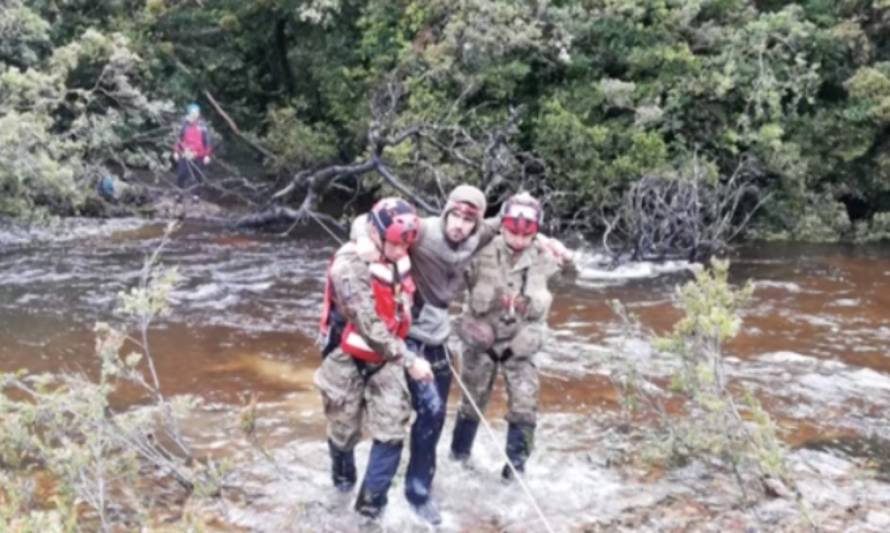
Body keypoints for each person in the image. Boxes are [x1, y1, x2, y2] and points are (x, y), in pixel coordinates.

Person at [350, 185, 572, 524]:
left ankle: (422, 489)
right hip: (409, 334)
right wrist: (363, 240)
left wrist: (555, 248)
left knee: (438, 415)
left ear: (478, 222)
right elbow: (373, 220)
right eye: (455, 215)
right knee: (398, 419)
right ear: (446, 211)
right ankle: (369, 501)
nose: (460, 225)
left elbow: (518, 230)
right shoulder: (423, 229)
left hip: (457, 339)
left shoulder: (487, 235)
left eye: (469, 219)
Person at [314, 197, 435, 522]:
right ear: (375, 233)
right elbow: (368, 325)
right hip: (347, 356)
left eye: (406, 245)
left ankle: (368, 511)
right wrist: (410, 360)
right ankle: (341, 490)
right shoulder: (349, 266)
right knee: (343, 434)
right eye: (395, 245)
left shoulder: (402, 252)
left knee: (392, 432)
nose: (401, 252)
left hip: (387, 361)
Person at [450, 192, 575, 480]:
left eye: (525, 234)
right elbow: (449, 269)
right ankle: (458, 458)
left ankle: (515, 471)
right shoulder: (480, 249)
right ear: (502, 225)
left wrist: (567, 258)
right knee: (472, 403)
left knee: (525, 407)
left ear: (535, 232)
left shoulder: (545, 256)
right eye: (511, 231)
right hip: (481, 343)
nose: (518, 239)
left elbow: (570, 281)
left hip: (521, 347)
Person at [172, 103, 212, 190]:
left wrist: (207, 155)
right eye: (193, 112)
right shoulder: (184, 125)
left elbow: (207, 141)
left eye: (197, 112)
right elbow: (179, 139)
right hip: (186, 153)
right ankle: (179, 194)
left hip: (199, 154)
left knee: (198, 176)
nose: (195, 114)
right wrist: (176, 151)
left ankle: (196, 198)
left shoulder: (203, 126)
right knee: (181, 174)